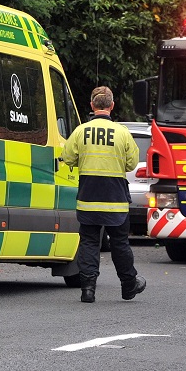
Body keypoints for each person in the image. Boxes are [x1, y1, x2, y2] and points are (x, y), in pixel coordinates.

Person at [60, 86, 146, 304]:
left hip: (88, 198)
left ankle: (88, 289)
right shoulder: (123, 132)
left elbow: (67, 158)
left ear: (91, 105)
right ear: (112, 106)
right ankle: (129, 286)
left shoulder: (81, 131)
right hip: (115, 200)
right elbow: (132, 163)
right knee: (119, 243)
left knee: (89, 242)